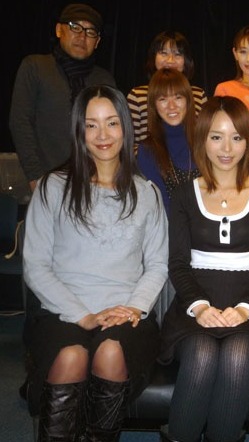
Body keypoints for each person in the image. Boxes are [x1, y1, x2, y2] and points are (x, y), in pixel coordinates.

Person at [22, 84, 168, 440]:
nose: (103, 135)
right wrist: (84, 315)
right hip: (62, 311)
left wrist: (132, 308)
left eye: (112, 123)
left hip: (126, 315)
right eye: (91, 125)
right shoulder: (53, 187)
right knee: (71, 356)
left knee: (110, 351)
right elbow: (35, 265)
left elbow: (157, 265)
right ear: (79, 131)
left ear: (126, 128)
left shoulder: (146, 193)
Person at [158, 96, 249, 442]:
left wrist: (244, 309)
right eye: (216, 137)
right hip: (192, 308)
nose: (227, 148)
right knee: (201, 354)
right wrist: (200, 307)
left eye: (236, 137)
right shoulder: (184, 194)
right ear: (202, 139)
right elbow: (178, 264)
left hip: (248, 311)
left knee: (237, 356)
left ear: (248, 141)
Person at [9, 3, 116, 191]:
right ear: (59, 30)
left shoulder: (104, 79)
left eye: (90, 32)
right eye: (75, 27)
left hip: (93, 183)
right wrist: (36, 177)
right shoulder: (36, 67)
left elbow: (113, 131)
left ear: (97, 41)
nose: (82, 36)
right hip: (46, 179)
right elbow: (20, 122)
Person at [127, 30, 207, 144]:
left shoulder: (198, 95)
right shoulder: (137, 96)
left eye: (177, 54)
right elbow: (129, 144)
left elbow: (204, 139)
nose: (170, 60)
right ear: (154, 57)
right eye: (163, 53)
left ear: (186, 61)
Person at [137, 68, 198, 214]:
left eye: (178, 97)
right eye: (163, 99)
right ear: (154, 105)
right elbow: (160, 206)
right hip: (170, 225)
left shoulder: (205, 141)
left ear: (188, 100)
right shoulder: (147, 150)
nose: (172, 106)